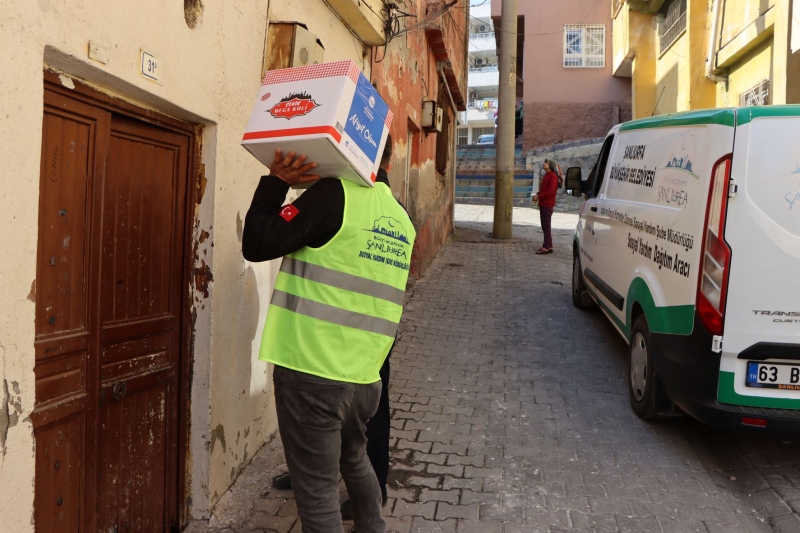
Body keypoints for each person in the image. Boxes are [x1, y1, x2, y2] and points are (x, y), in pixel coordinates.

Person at [242, 135, 414, 533]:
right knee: (354, 459)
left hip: (314, 372)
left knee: (317, 494)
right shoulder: (401, 217)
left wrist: (277, 181)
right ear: (389, 161)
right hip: (365, 378)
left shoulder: (334, 195)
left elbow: (257, 241)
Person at [532, 159, 559, 254]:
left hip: (547, 204)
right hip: (544, 203)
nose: (544, 164)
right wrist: (538, 194)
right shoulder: (546, 175)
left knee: (546, 226)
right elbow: (543, 189)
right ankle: (549, 245)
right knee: (545, 225)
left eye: (546, 163)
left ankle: (546, 246)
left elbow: (550, 191)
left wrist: (539, 196)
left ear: (551, 165)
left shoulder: (553, 176)